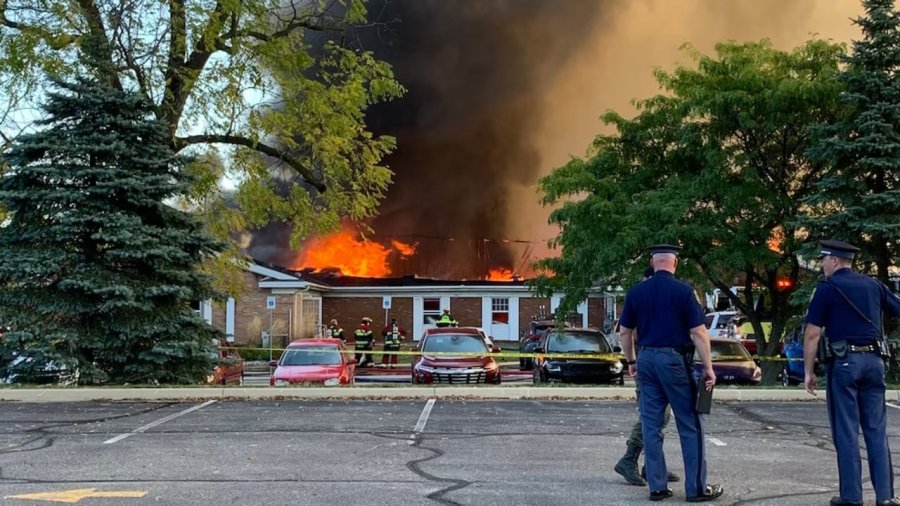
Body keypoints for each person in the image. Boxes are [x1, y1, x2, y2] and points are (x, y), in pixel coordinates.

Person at [619, 244, 722, 502]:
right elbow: (698, 332)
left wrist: (631, 360)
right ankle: (696, 489)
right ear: (674, 263)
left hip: (646, 360)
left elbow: (624, 332)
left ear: (653, 263)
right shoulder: (684, 292)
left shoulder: (636, 292)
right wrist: (708, 367)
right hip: (675, 361)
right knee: (690, 424)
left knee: (651, 426)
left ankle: (657, 487)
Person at [803, 240, 900, 506]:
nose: (822, 264)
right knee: (876, 430)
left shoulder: (827, 289)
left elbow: (812, 333)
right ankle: (886, 497)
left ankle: (851, 496)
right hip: (875, 362)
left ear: (834, 260)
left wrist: (808, 372)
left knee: (846, 431)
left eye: (823, 259)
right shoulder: (874, 285)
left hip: (844, 363)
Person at [615, 267, 680, 486]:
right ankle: (629, 460)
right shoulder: (644, 299)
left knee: (660, 416)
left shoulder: (643, 297)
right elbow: (627, 332)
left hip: (651, 361)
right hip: (650, 361)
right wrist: (631, 361)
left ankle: (652, 466)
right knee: (652, 416)